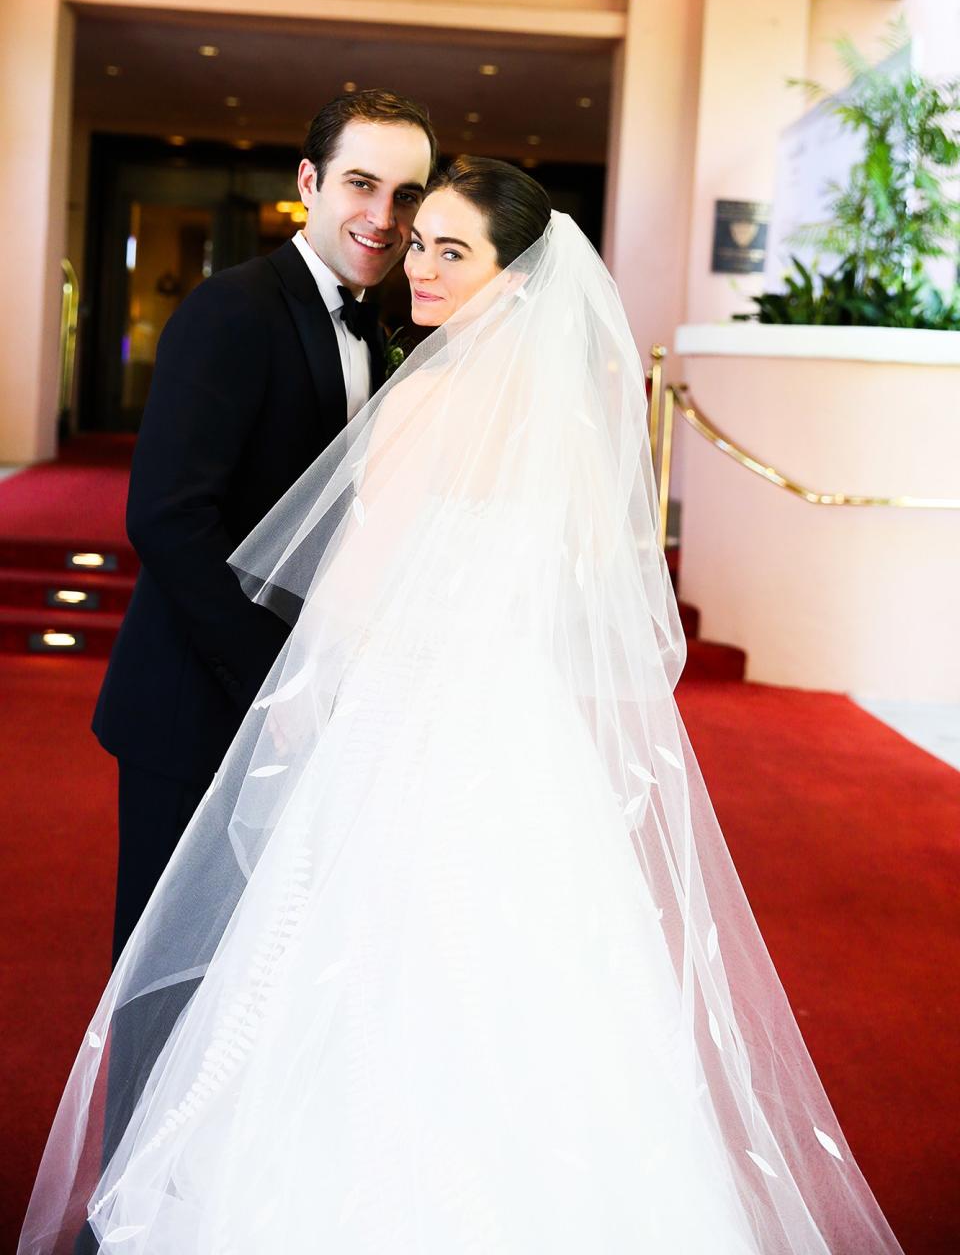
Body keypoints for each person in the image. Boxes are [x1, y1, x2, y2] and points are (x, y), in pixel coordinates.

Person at [21, 158, 904, 1254]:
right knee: (533, 989)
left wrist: (298, 710)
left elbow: (352, 598)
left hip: (406, 722)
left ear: (515, 280)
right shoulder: (571, 419)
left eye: (452, 250)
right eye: (420, 242)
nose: (420, 267)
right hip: (520, 733)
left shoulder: (428, 396)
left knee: (359, 980)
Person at [92, 88, 436, 964]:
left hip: (310, 699)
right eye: (361, 184)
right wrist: (275, 687)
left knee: (258, 978)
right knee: (168, 975)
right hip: (203, 702)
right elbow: (168, 520)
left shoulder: (385, 328)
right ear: (310, 181)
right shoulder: (231, 310)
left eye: (405, 196)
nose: (382, 216)